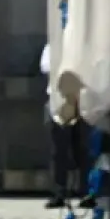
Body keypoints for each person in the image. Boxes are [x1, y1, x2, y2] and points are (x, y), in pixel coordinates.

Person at [40, 43, 93, 209]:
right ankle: (59, 192)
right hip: (59, 101)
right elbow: (45, 66)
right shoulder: (52, 45)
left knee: (84, 149)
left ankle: (86, 192)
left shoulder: (83, 44)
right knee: (58, 150)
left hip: (82, 101)